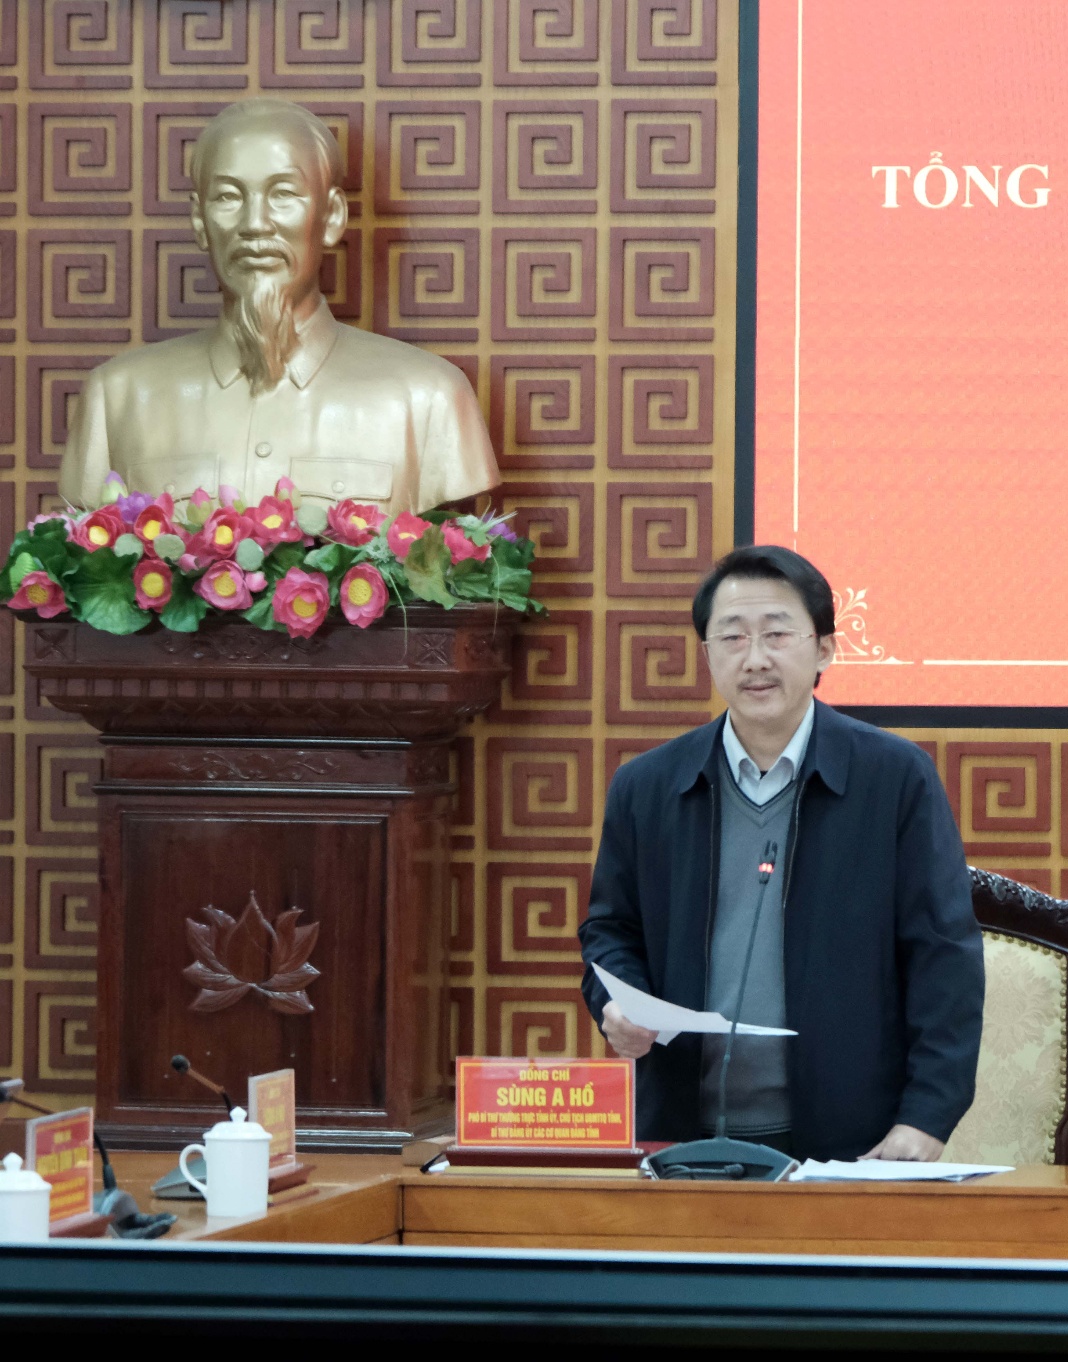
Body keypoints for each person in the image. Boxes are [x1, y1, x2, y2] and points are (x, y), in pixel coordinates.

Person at [578, 545, 985, 1161]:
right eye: (732, 637)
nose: (755, 659)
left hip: (852, 1144)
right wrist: (617, 1003)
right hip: (679, 1136)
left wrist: (926, 1118)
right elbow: (610, 931)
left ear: (825, 649)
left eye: (776, 634)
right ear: (707, 654)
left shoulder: (895, 778)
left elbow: (944, 956)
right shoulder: (648, 786)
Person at [60, 97, 496, 515]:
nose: (255, 224)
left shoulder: (429, 398)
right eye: (228, 197)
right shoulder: (117, 398)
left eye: (283, 194)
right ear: (199, 221)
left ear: (332, 216)